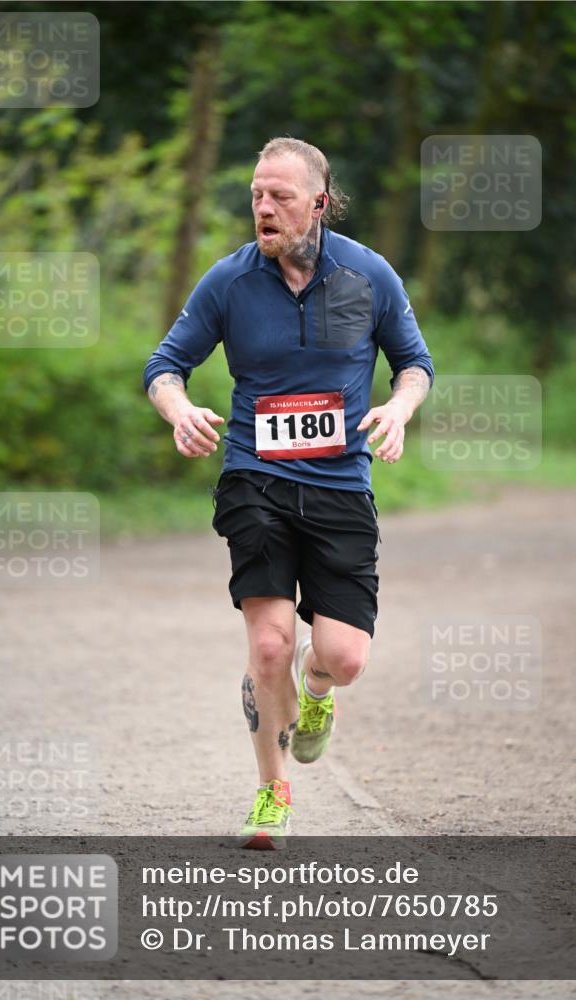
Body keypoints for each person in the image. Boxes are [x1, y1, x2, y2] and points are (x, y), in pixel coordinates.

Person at [144, 137, 433, 849]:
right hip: (255, 479)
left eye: (278, 196)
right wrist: (178, 409)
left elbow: (414, 364)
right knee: (267, 647)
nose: (263, 208)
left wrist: (396, 410)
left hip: (339, 484)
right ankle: (272, 791)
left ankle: (317, 690)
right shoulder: (229, 281)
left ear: (318, 203)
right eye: (254, 195)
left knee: (344, 657)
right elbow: (165, 365)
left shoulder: (368, 275)